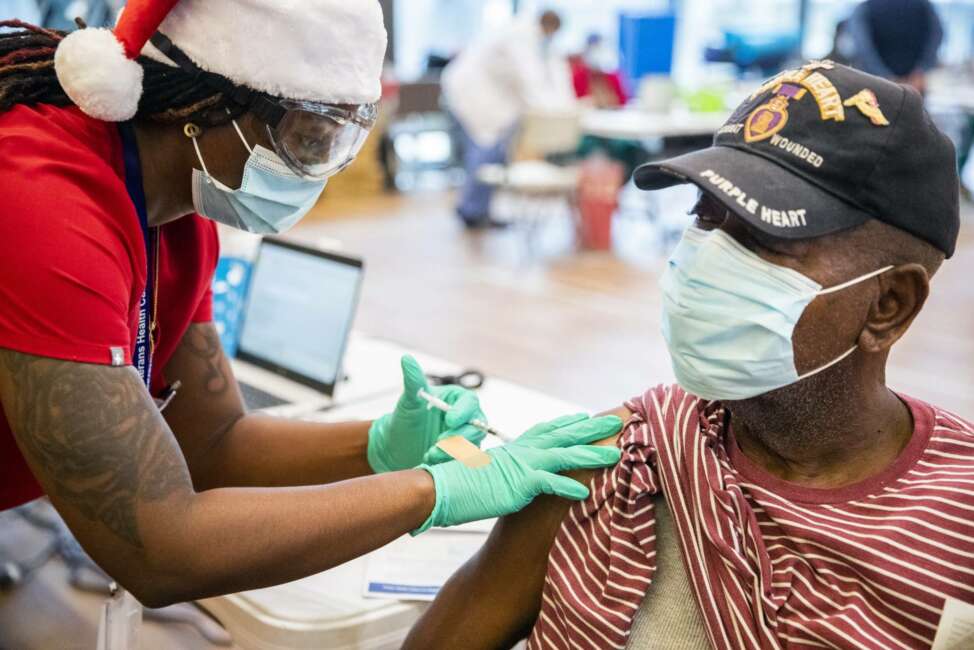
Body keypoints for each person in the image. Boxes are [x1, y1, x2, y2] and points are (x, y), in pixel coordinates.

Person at [0, 0, 623, 610]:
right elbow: (160, 548)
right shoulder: (43, 204)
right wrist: (432, 491)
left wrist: (379, 447)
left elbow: (213, 442)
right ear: (203, 104)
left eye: (341, 140)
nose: (318, 175)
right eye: (309, 138)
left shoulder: (183, 212)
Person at [405, 62, 972, 649]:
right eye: (705, 215)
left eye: (766, 236)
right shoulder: (614, 465)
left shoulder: (958, 535)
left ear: (890, 305)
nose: (707, 259)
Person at [442, 9, 577, 228]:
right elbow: (531, 81)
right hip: (469, 94)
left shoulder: (544, 43)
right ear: (546, 26)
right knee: (484, 153)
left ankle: (478, 210)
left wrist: (568, 107)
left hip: (493, 102)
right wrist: (558, 111)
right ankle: (471, 211)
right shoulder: (519, 36)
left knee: (492, 154)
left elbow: (557, 76)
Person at [847, 0, 943, 95]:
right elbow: (937, 36)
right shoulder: (924, 5)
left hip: (878, 84)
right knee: (915, 109)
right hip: (914, 84)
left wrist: (884, 76)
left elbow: (863, 48)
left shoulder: (865, 8)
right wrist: (921, 70)